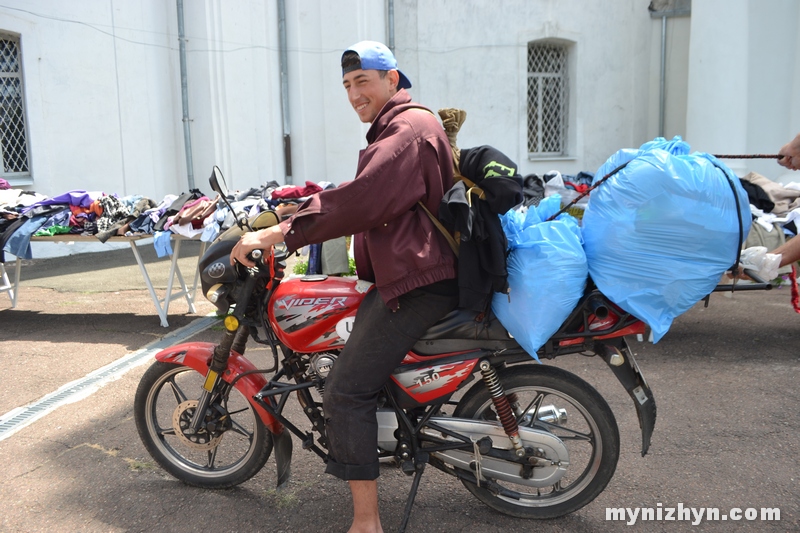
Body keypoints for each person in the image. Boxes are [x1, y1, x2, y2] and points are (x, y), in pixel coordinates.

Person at [231, 41, 458, 533]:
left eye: (364, 81)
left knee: (345, 392)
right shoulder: (402, 126)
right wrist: (301, 210)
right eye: (348, 85)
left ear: (393, 80)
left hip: (417, 282)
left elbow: (365, 198)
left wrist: (280, 233)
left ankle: (366, 522)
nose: (355, 93)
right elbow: (368, 193)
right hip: (413, 275)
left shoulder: (405, 129)